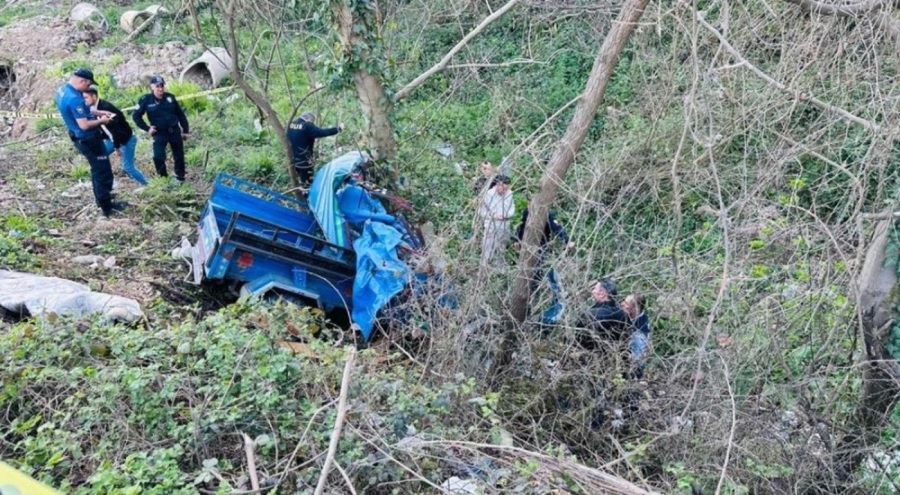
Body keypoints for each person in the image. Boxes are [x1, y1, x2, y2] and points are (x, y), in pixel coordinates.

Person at [55, 68, 127, 218]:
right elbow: (84, 125)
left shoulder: (63, 90)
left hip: (77, 136)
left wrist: (98, 112)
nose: (88, 88)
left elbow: (80, 112)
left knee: (97, 169)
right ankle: (107, 206)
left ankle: (102, 197)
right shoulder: (74, 98)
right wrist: (103, 121)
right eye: (88, 85)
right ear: (82, 81)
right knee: (102, 171)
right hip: (88, 139)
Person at [82, 85, 148, 187]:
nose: (84, 101)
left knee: (128, 166)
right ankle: (103, 183)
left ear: (94, 97)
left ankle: (146, 184)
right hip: (111, 139)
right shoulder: (92, 108)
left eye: (86, 97)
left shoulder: (106, 107)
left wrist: (117, 147)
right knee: (99, 156)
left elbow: (116, 130)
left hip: (126, 139)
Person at [132, 75, 190, 182]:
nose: (160, 89)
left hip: (174, 130)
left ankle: (180, 177)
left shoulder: (170, 98)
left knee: (179, 155)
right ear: (152, 87)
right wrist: (147, 128)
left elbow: (180, 115)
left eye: (162, 86)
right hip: (159, 132)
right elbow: (136, 116)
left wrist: (185, 130)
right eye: (157, 86)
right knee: (158, 156)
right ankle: (163, 178)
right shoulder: (146, 100)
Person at [287, 111, 344, 187]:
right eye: (312, 122)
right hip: (305, 161)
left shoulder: (291, 124)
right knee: (307, 184)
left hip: (292, 160)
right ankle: (305, 193)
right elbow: (322, 132)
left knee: (297, 182)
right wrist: (338, 129)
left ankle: (298, 191)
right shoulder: (307, 126)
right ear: (310, 119)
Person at [576, 278, 631, 346]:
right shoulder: (624, 316)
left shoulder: (589, 315)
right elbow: (627, 339)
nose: (592, 292)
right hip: (615, 351)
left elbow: (578, 340)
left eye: (595, 289)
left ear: (602, 294)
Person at [478, 174, 514, 268]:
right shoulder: (488, 194)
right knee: (488, 247)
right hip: (491, 225)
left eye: (506, 189)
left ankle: (499, 267)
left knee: (501, 248)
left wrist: (507, 215)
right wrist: (493, 216)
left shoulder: (509, 193)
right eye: (503, 188)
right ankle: (484, 267)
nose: (505, 191)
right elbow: (481, 211)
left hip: (505, 225)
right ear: (497, 184)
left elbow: (512, 209)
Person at [623, 293, 650, 379]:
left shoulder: (640, 332)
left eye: (626, 303)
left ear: (635, 308)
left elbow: (638, 357)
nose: (622, 304)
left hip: (632, 370)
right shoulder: (631, 317)